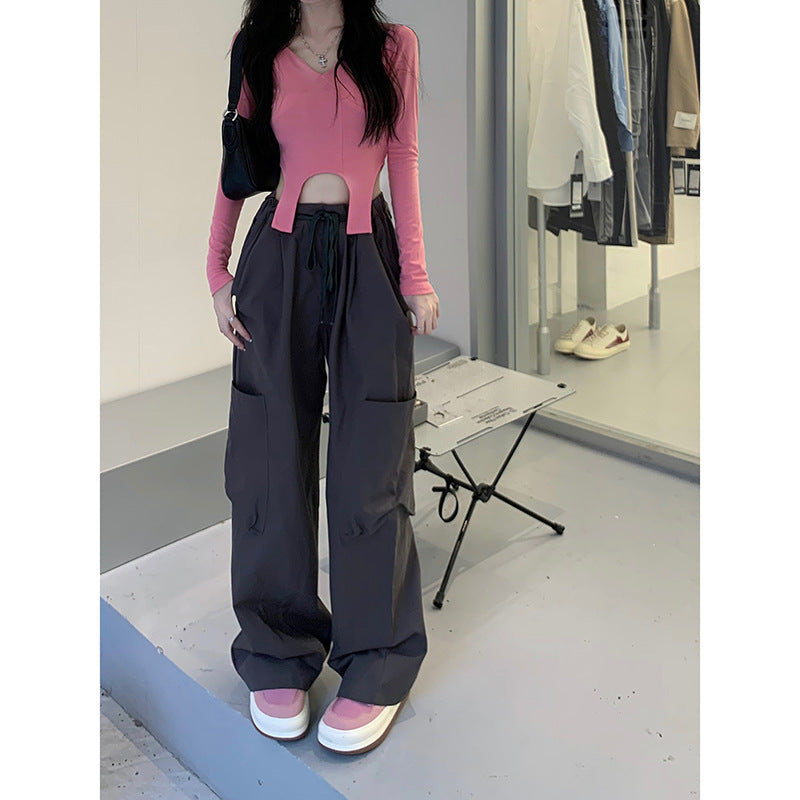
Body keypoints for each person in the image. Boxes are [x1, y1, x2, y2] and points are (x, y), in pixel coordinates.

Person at [205, 0, 439, 755]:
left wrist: (415, 275)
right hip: (277, 261)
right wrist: (217, 270)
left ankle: (378, 657)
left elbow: (402, 157)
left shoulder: (393, 47)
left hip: (368, 259)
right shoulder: (258, 45)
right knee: (268, 457)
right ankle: (277, 647)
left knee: (373, 459)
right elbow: (237, 161)